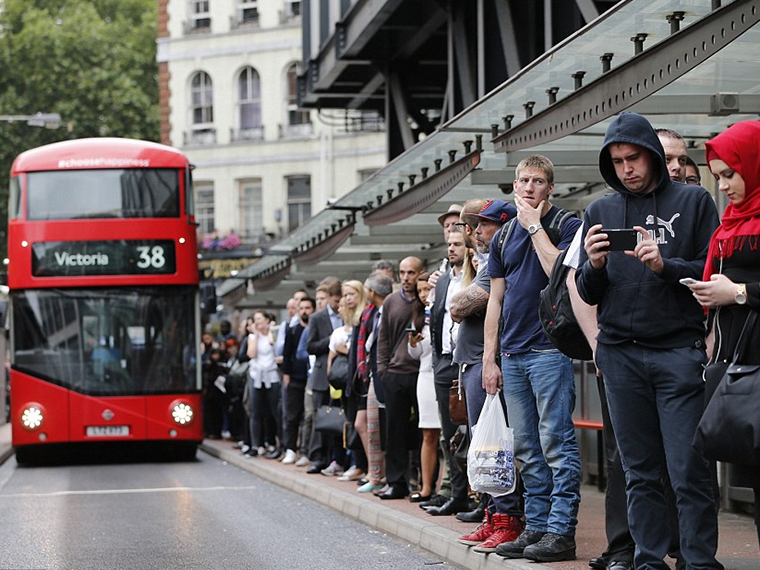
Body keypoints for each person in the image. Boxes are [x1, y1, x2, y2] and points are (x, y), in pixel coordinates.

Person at [576, 111, 722, 570]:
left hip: (678, 351)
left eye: (633, 158)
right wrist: (594, 266)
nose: (626, 169)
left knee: (687, 469)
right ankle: (648, 561)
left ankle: (698, 561)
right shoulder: (599, 210)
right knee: (638, 472)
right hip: (620, 356)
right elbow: (584, 291)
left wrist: (665, 266)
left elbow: (711, 272)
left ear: (653, 155)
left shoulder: (695, 201)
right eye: (617, 161)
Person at [483, 156, 582, 562]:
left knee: (557, 442)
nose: (528, 188)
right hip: (513, 353)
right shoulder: (502, 236)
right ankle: (536, 526)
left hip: (550, 350)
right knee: (527, 448)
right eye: (522, 180)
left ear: (549, 189)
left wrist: (535, 226)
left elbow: (559, 270)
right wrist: (490, 359)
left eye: (537, 181)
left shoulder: (566, 224)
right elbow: (495, 299)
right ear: (514, 184)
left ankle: (561, 532)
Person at [685, 119, 760, 551]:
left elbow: (741, 289)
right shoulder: (731, 221)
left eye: (730, 173)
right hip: (741, 365)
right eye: (718, 177)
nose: (725, 186)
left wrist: (738, 292)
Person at [450, 198, 525, 554]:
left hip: (488, 364)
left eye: (484, 224)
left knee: (496, 447)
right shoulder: (487, 260)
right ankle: (493, 516)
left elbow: (458, 307)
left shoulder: (499, 258)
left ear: (503, 224)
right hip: (476, 364)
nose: (477, 231)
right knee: (484, 447)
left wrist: (460, 299)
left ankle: (507, 520)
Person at [423, 227, 470, 516]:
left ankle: (482, 498)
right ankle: (458, 494)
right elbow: (435, 320)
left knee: (472, 433)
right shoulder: (441, 283)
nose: (451, 248)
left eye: (458, 244)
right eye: (449, 244)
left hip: (467, 362)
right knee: (450, 433)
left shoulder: (474, 276)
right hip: (443, 363)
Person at [375, 256, 424, 499]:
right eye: (403, 273)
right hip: (394, 374)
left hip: (420, 373)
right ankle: (396, 482)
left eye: (411, 273)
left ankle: (421, 481)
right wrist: (382, 369)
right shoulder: (391, 301)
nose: (406, 278)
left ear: (420, 273)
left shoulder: (426, 298)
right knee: (394, 430)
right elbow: (383, 337)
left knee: (423, 430)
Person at [355, 271, 394, 493]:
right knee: (371, 427)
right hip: (372, 374)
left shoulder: (387, 310)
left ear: (371, 292)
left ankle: (387, 476)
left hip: (387, 375)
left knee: (389, 428)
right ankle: (376, 474)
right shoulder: (371, 313)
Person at [406, 273, 441, 503]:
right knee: (428, 433)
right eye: (419, 291)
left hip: (447, 375)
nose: (423, 294)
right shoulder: (418, 317)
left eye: (426, 289)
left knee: (452, 436)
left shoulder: (444, 308)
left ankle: (456, 489)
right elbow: (417, 355)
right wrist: (412, 345)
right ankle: (427, 487)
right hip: (426, 376)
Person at [306, 277, 344, 473]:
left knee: (339, 418)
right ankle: (317, 457)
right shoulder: (317, 318)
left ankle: (336, 458)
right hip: (321, 376)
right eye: (336, 301)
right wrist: (329, 341)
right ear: (329, 297)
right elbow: (310, 347)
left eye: (341, 300)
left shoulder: (347, 315)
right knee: (320, 418)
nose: (339, 305)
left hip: (341, 375)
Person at [281, 296, 315, 465]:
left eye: (308, 308)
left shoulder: (316, 328)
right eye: (301, 308)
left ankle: (306, 451)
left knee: (309, 416)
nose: (304, 311)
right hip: (295, 378)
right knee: (292, 416)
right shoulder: (292, 330)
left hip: (312, 379)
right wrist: (286, 376)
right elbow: (287, 355)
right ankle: (290, 449)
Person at [246, 310, 281, 456]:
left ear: (267, 320)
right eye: (255, 320)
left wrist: (271, 332)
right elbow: (251, 354)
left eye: (260, 319)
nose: (258, 322)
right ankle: (256, 444)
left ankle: (273, 442)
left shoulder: (275, 333)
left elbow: (276, 348)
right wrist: (255, 334)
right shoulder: (253, 337)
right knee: (256, 411)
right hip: (257, 376)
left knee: (274, 410)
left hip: (272, 375)